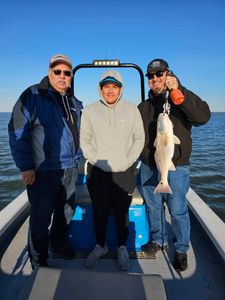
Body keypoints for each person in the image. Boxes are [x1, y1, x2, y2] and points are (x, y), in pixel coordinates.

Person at [8, 54, 83, 269]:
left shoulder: (73, 101)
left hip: (69, 168)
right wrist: (26, 166)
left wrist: (78, 161)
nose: (62, 76)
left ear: (70, 77)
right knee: (40, 220)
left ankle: (57, 244)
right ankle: (39, 260)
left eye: (66, 73)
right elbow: (17, 131)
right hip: (43, 171)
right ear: (49, 72)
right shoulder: (33, 95)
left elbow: (75, 135)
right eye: (57, 71)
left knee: (66, 212)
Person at [138, 58, 211, 271]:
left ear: (168, 74)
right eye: (150, 76)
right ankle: (158, 240)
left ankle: (180, 249)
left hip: (176, 167)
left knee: (178, 210)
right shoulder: (143, 107)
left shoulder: (180, 101)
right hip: (148, 166)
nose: (154, 79)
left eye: (159, 74)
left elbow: (203, 116)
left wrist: (180, 90)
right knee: (153, 207)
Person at [80, 70, 145, 270]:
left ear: (120, 89)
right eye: (106, 86)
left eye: (114, 86)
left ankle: (122, 247)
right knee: (99, 211)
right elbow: (85, 141)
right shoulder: (89, 111)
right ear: (101, 89)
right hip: (97, 171)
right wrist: (98, 161)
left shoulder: (132, 110)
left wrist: (128, 161)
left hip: (124, 172)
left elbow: (139, 139)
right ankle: (100, 245)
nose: (110, 90)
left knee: (121, 212)